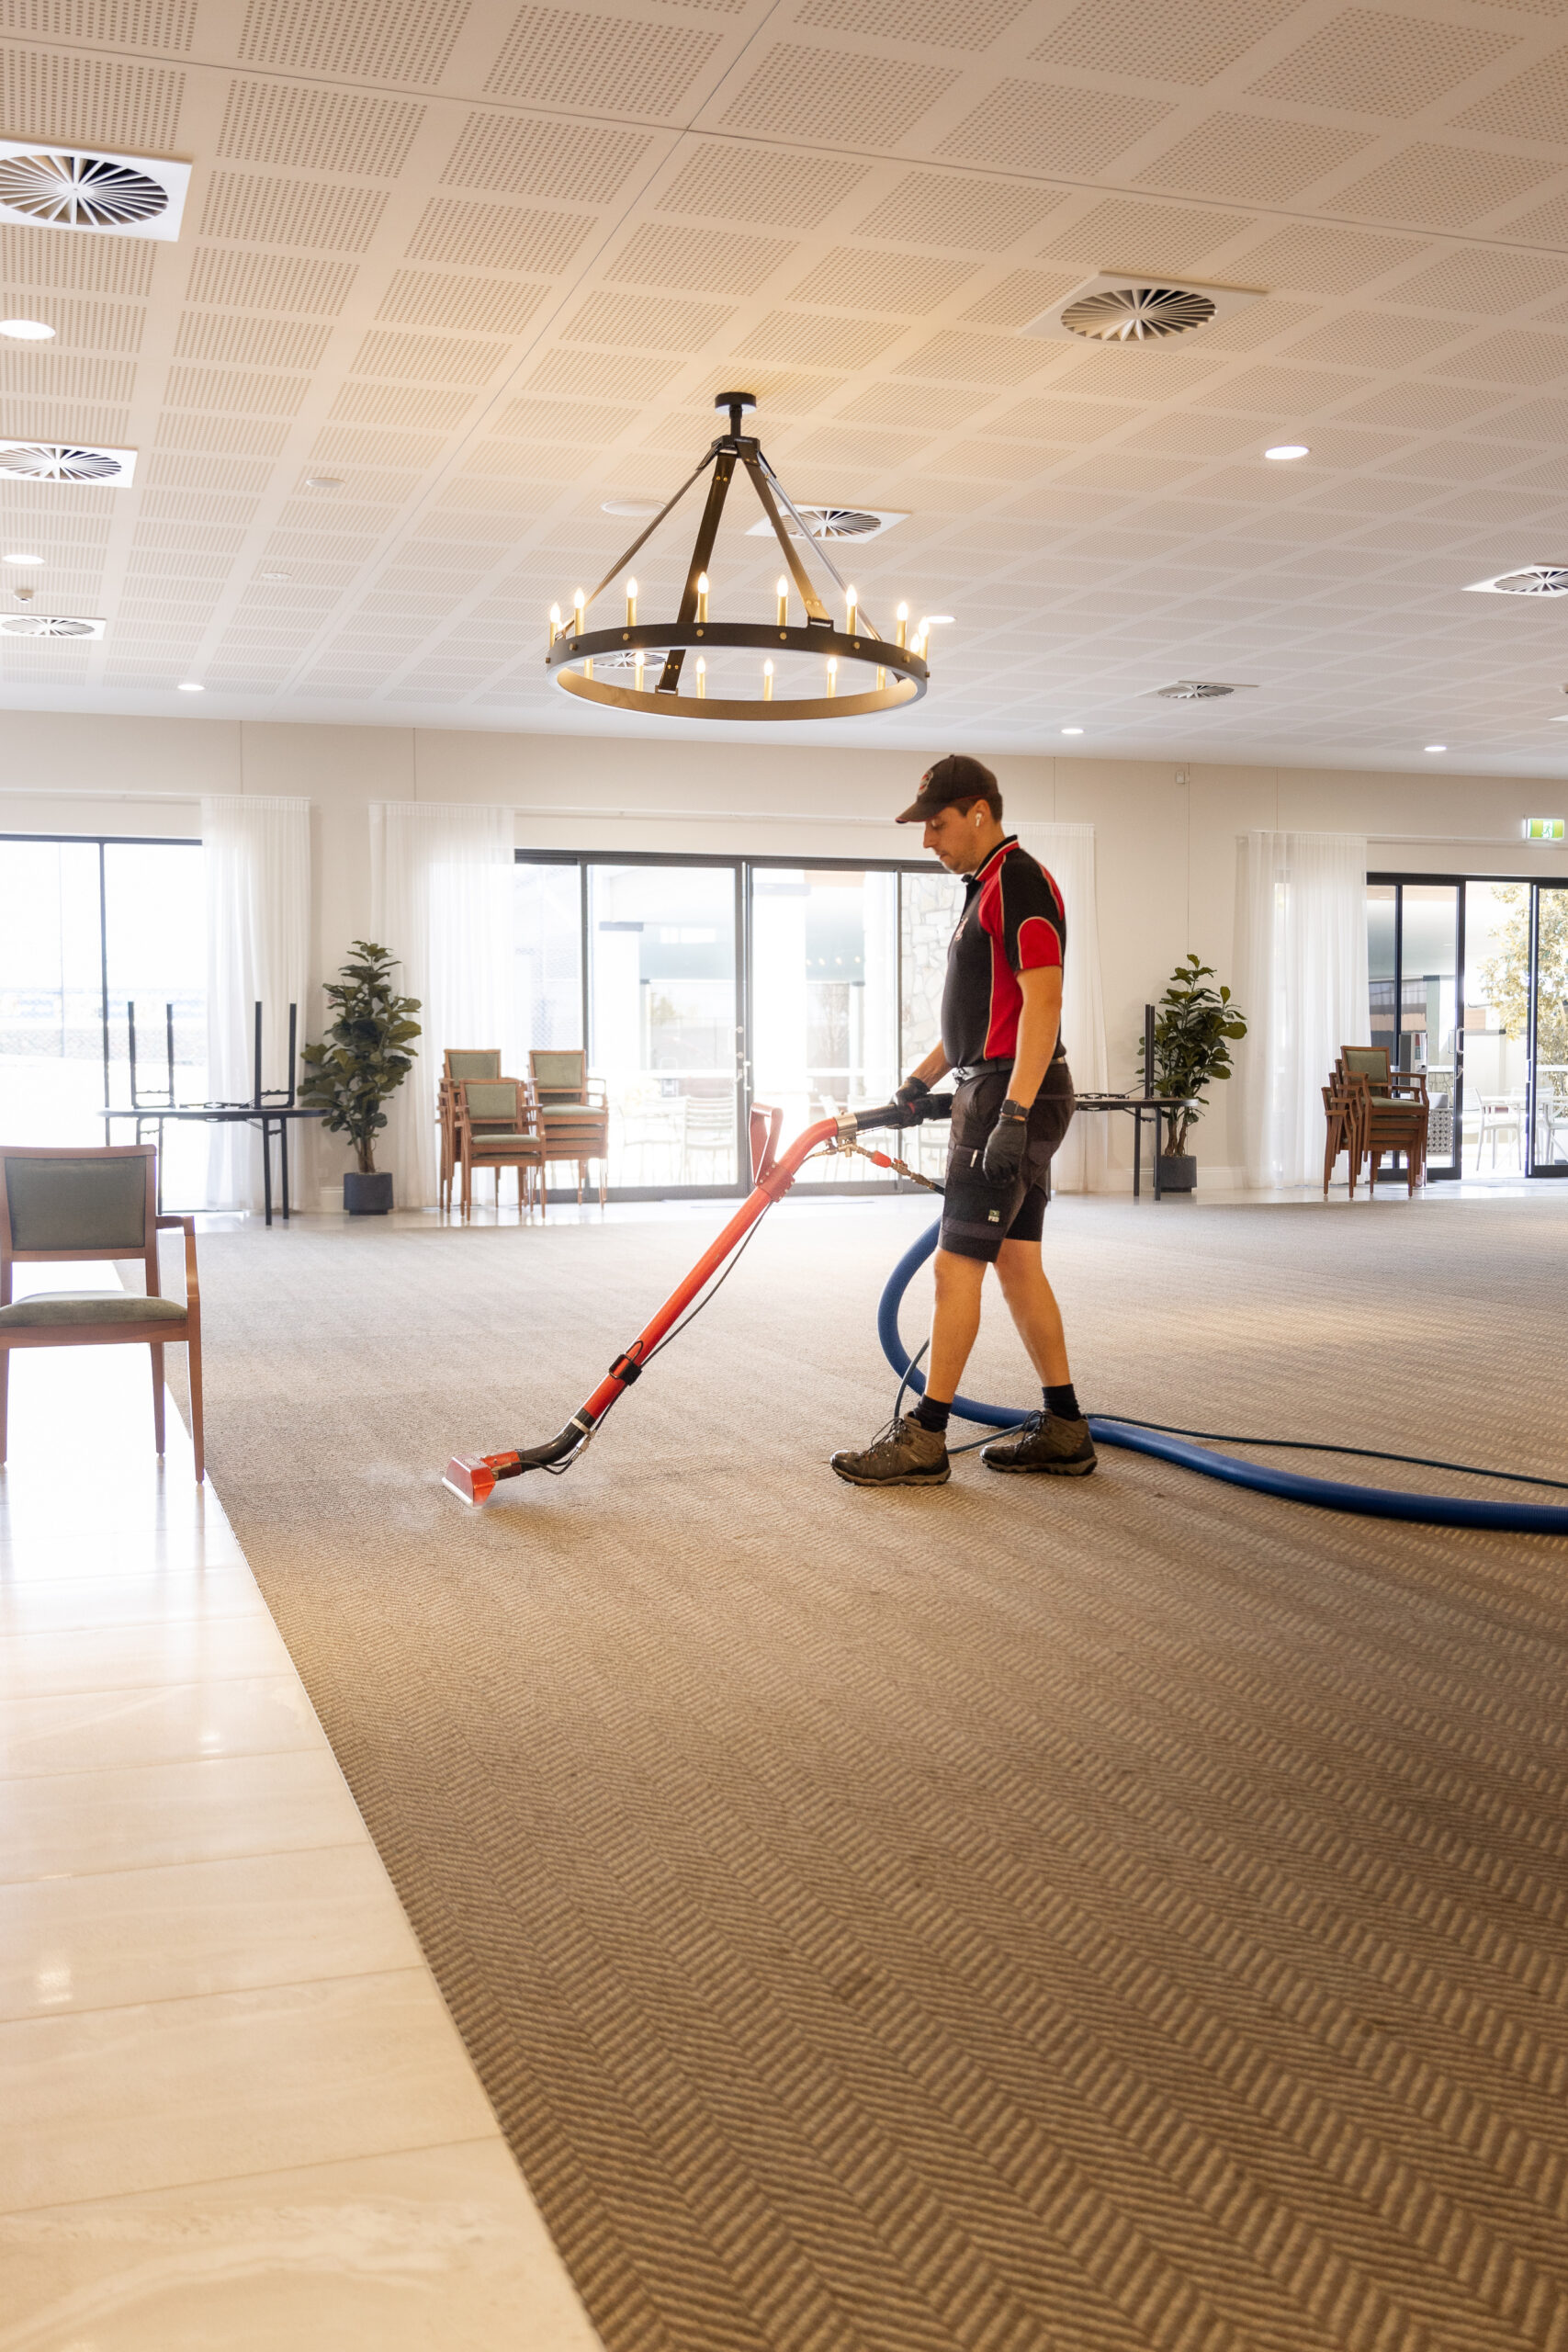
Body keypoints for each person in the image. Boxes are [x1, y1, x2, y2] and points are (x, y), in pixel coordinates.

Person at [830, 754, 1094, 1488]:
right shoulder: (983, 888)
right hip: (997, 1088)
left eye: (936, 825)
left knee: (955, 1267)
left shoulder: (1018, 880)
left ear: (978, 810)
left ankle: (925, 1436)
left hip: (1013, 1095)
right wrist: (914, 1086)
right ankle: (1065, 1428)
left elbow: (1044, 1002)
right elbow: (977, 1018)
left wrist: (1012, 1111)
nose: (928, 843)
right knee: (1015, 1262)